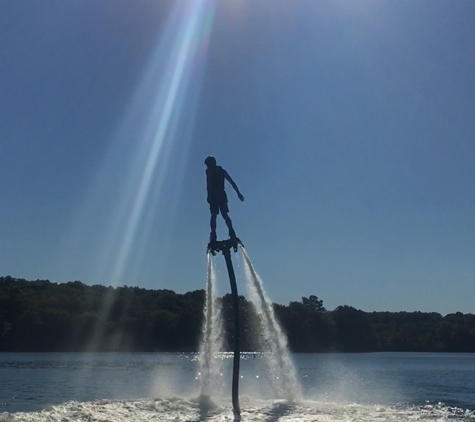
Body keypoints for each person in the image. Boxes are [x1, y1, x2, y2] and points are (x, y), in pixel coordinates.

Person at [205, 156, 244, 243]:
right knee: (223, 215)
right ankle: (230, 231)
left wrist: (208, 195)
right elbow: (232, 182)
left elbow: (208, 185)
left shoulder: (211, 172)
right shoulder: (220, 171)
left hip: (215, 195)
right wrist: (238, 193)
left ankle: (216, 233)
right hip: (220, 194)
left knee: (216, 215)